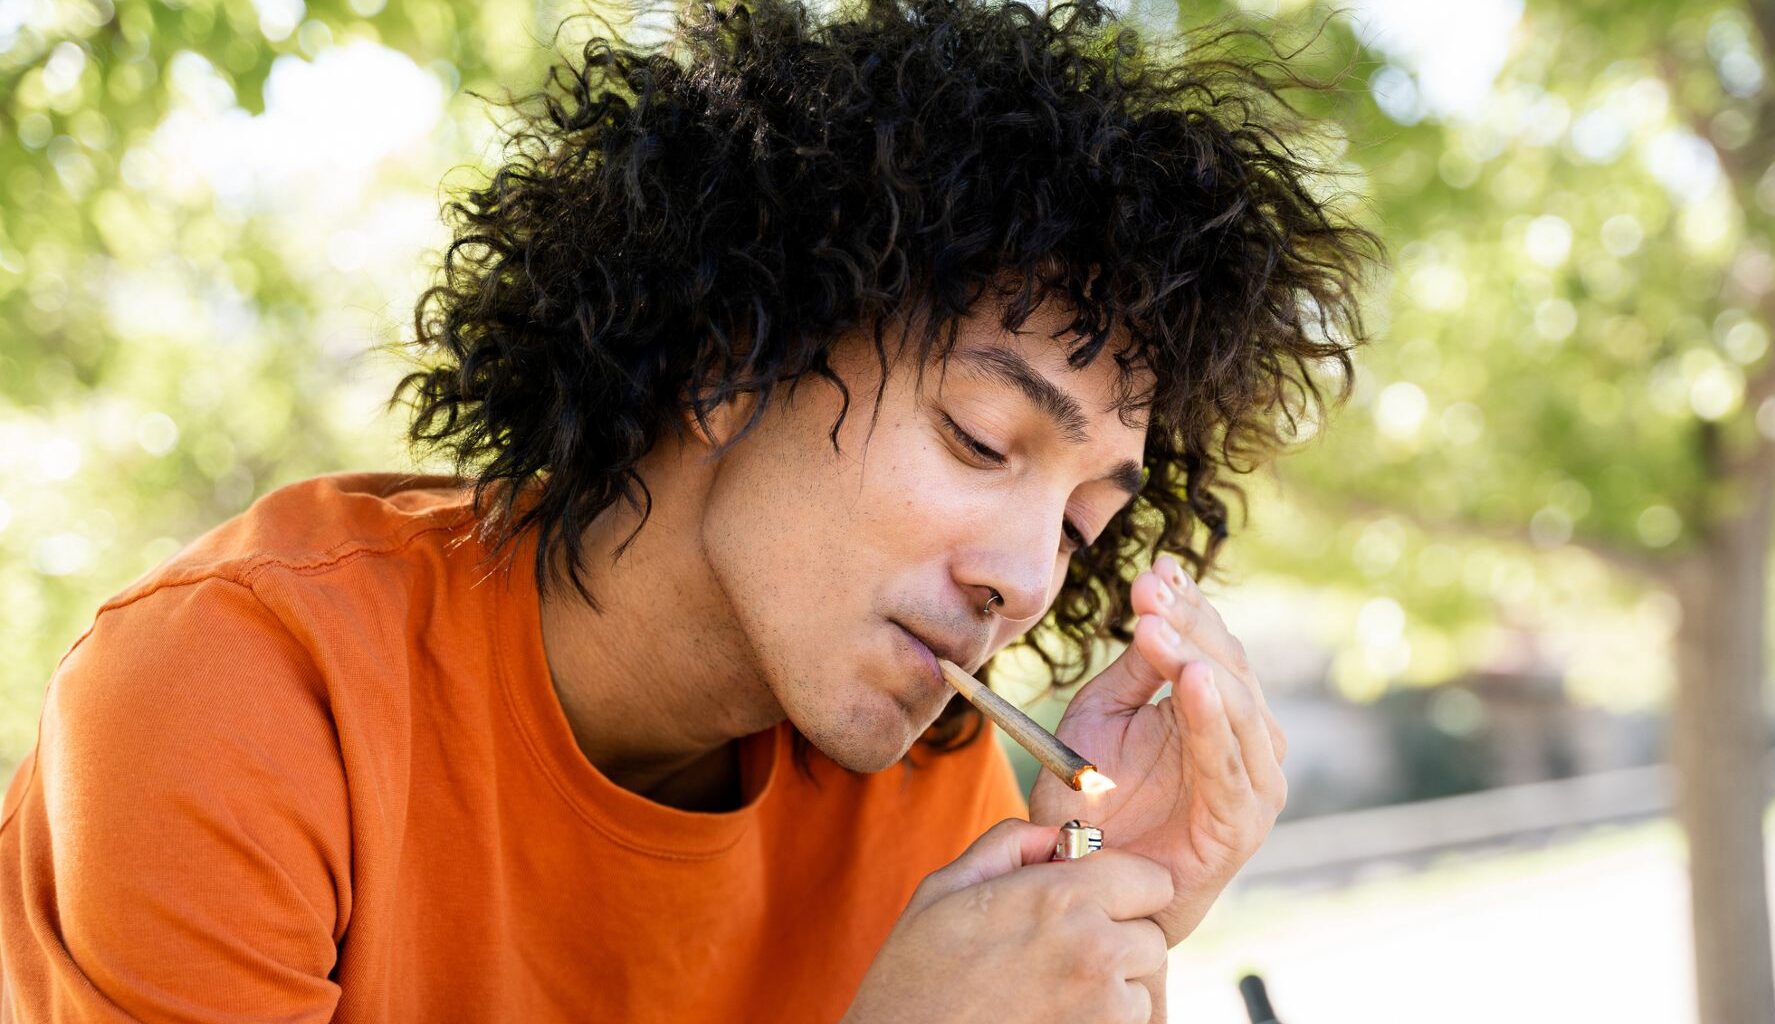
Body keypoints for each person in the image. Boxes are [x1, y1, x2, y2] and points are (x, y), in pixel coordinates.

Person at [0, 0, 1376, 1019]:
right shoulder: (236, 692)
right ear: (736, 355)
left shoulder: (925, 785)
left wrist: (1099, 900)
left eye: (1079, 523)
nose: (1027, 577)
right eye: (980, 437)